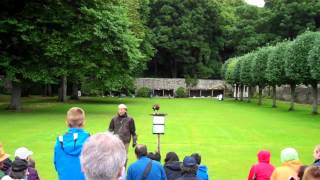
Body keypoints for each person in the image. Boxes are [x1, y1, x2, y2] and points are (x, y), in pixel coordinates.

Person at [54, 107, 90, 180]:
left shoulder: (59, 142)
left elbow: (56, 164)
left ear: (67, 122)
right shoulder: (90, 141)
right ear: (83, 122)